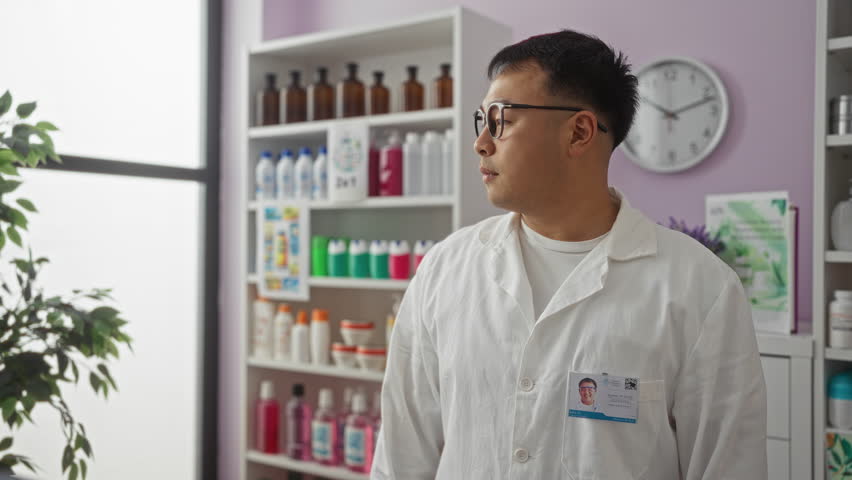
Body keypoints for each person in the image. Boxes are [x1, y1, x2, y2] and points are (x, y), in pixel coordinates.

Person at [372, 29, 767, 479]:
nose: (481, 143)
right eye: (480, 121)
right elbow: (402, 456)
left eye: (500, 119)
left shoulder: (699, 288)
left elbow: (730, 466)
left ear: (579, 131)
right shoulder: (445, 270)